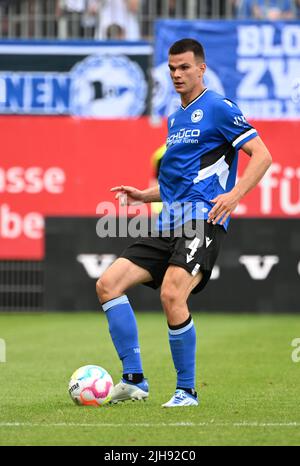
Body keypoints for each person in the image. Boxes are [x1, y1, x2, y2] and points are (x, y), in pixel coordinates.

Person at [96, 38, 272, 407]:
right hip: (169, 222)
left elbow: (262, 155)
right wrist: (147, 195)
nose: (177, 74)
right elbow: (181, 182)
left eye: (185, 68)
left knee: (172, 295)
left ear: (201, 68)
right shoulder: (176, 118)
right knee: (108, 284)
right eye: (172, 68)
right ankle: (134, 380)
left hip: (202, 220)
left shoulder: (219, 107)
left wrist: (235, 194)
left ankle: (186, 391)